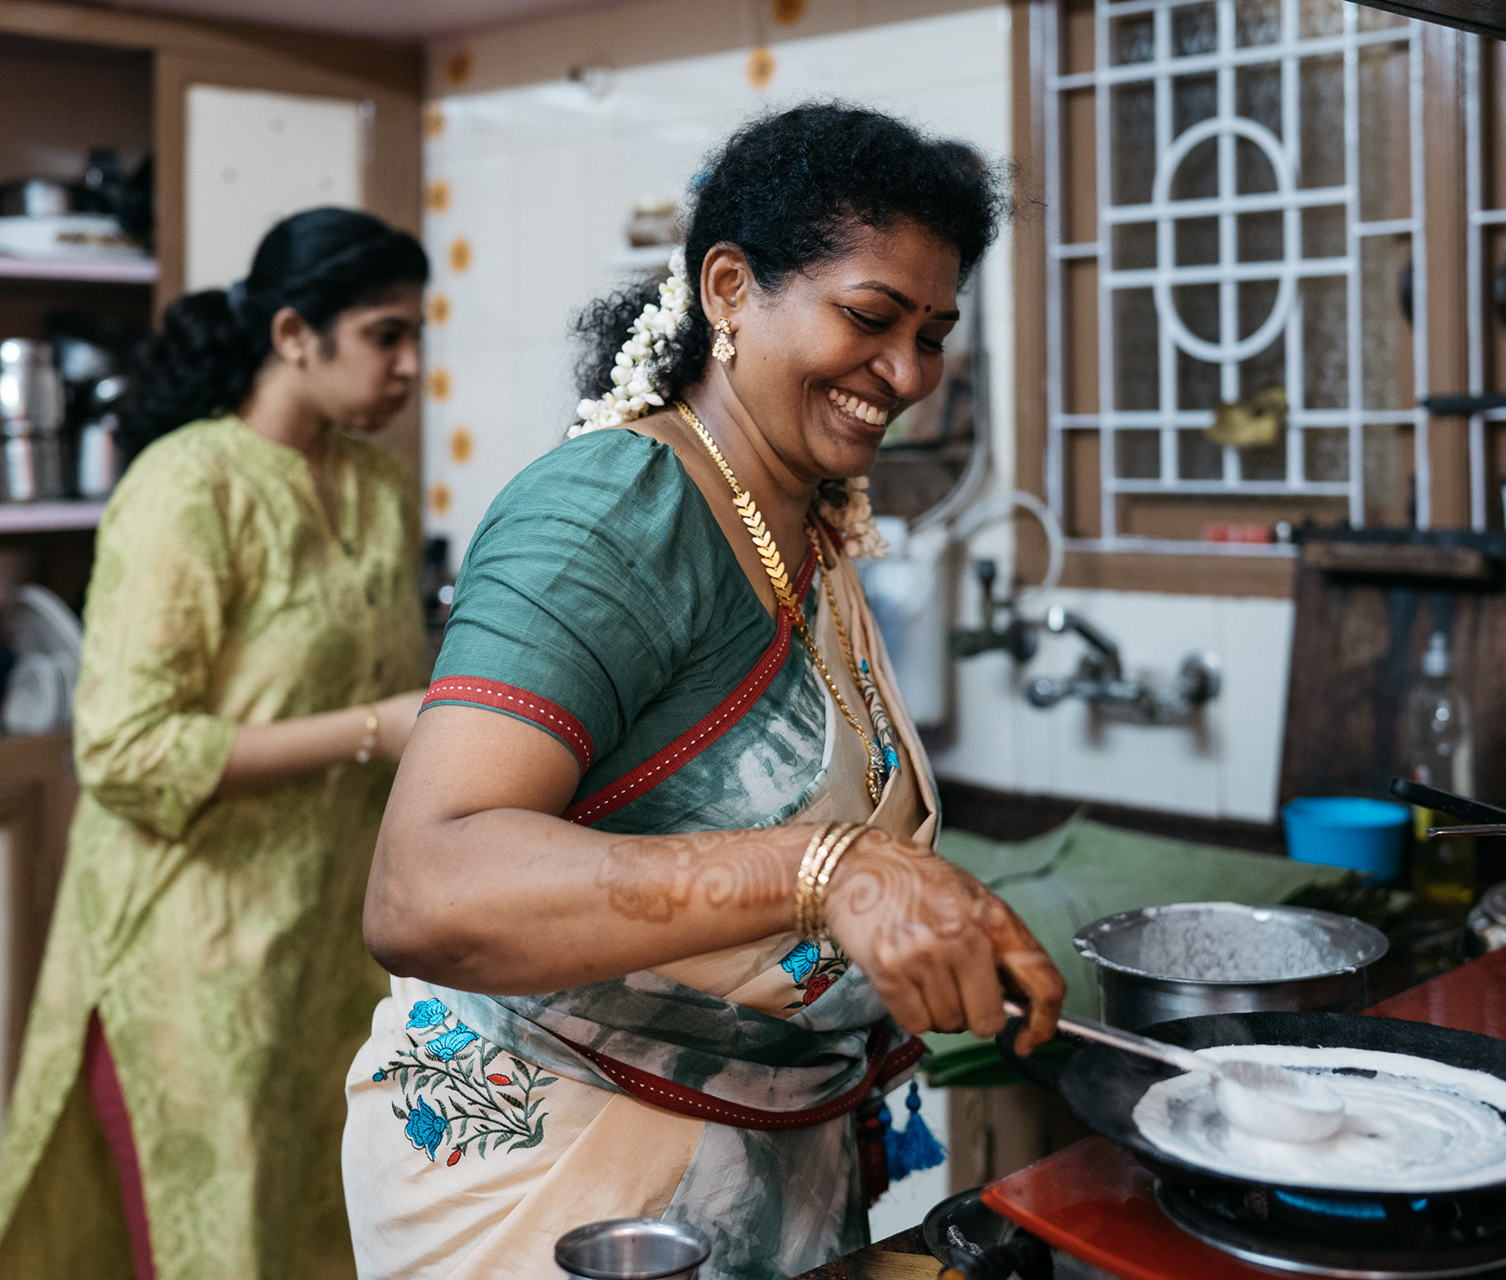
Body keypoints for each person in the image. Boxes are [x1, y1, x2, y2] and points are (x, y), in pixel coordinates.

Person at [343, 104, 1065, 1280]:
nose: (907, 373)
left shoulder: (811, 519)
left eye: (934, 333)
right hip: (561, 1193)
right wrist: (832, 869)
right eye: (872, 317)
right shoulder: (613, 513)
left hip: (758, 1167)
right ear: (728, 287)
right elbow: (426, 888)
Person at [0, 208, 433, 1280]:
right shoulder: (187, 484)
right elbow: (127, 749)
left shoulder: (379, 486)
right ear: (292, 336)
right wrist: (376, 729)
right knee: (209, 1243)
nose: (410, 364)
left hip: (322, 954)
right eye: (384, 334)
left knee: (327, 1230)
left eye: (420, 334)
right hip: (187, 949)